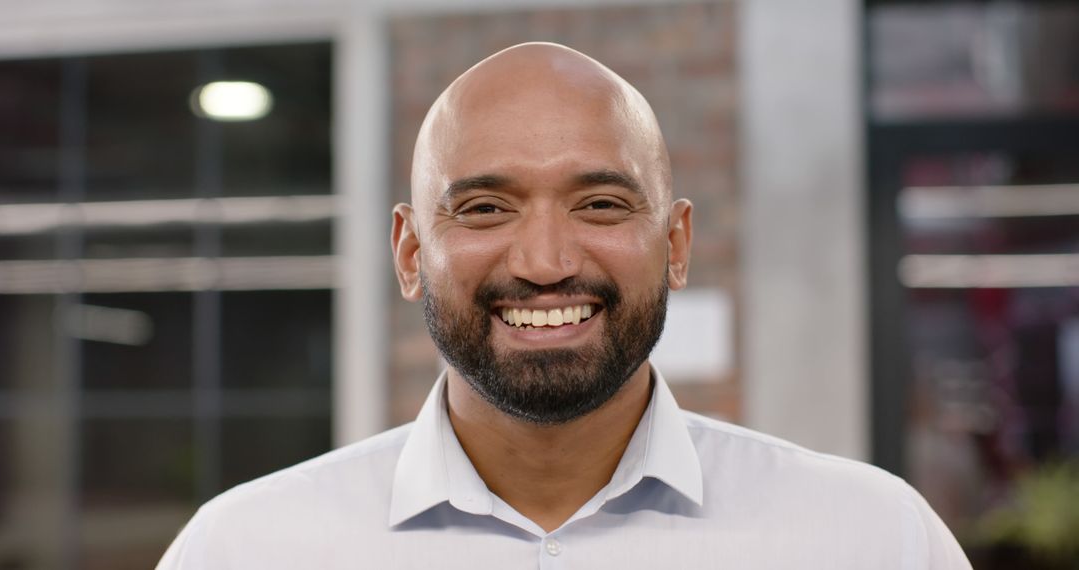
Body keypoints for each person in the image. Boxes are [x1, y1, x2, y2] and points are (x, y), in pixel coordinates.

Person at [157, 42, 972, 569]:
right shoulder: (244, 549)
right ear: (409, 253)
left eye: (602, 205)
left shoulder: (873, 540)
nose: (545, 263)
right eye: (484, 208)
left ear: (677, 244)